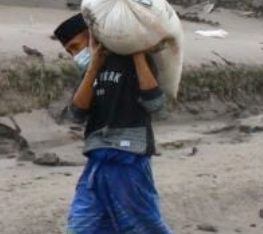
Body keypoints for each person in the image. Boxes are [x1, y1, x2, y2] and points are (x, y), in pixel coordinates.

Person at [53, 14, 174, 234]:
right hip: (97, 163)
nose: (75, 54)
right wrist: (93, 68)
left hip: (129, 162)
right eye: (70, 51)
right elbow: (76, 113)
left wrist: (137, 53)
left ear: (92, 36)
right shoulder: (89, 71)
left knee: (145, 226)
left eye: (76, 46)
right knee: (81, 226)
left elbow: (155, 103)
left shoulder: (131, 60)